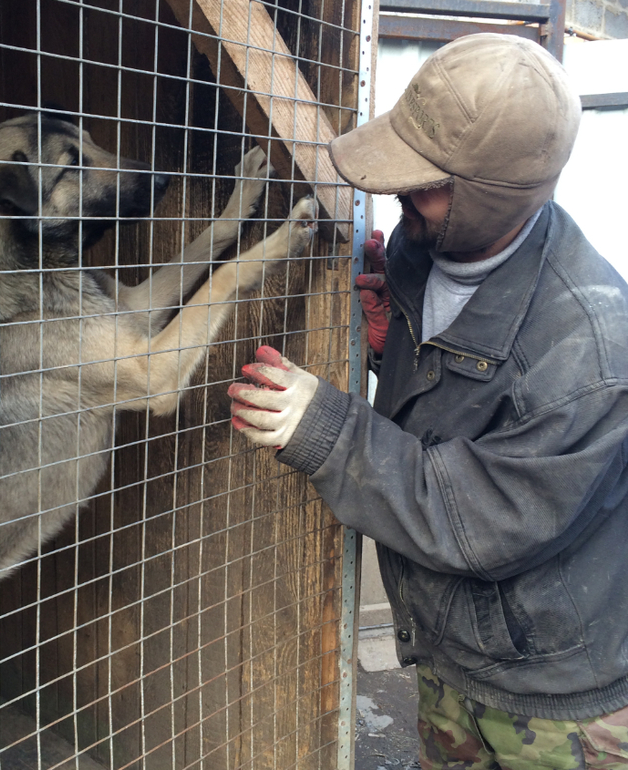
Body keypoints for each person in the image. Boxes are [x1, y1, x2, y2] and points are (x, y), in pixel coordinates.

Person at [227, 33, 628, 769]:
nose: (398, 191)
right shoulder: (424, 248)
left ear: (492, 194)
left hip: (558, 691)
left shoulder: (594, 349)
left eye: (425, 179)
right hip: (448, 651)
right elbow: (460, 408)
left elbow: (482, 517)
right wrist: (391, 346)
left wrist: (331, 431)